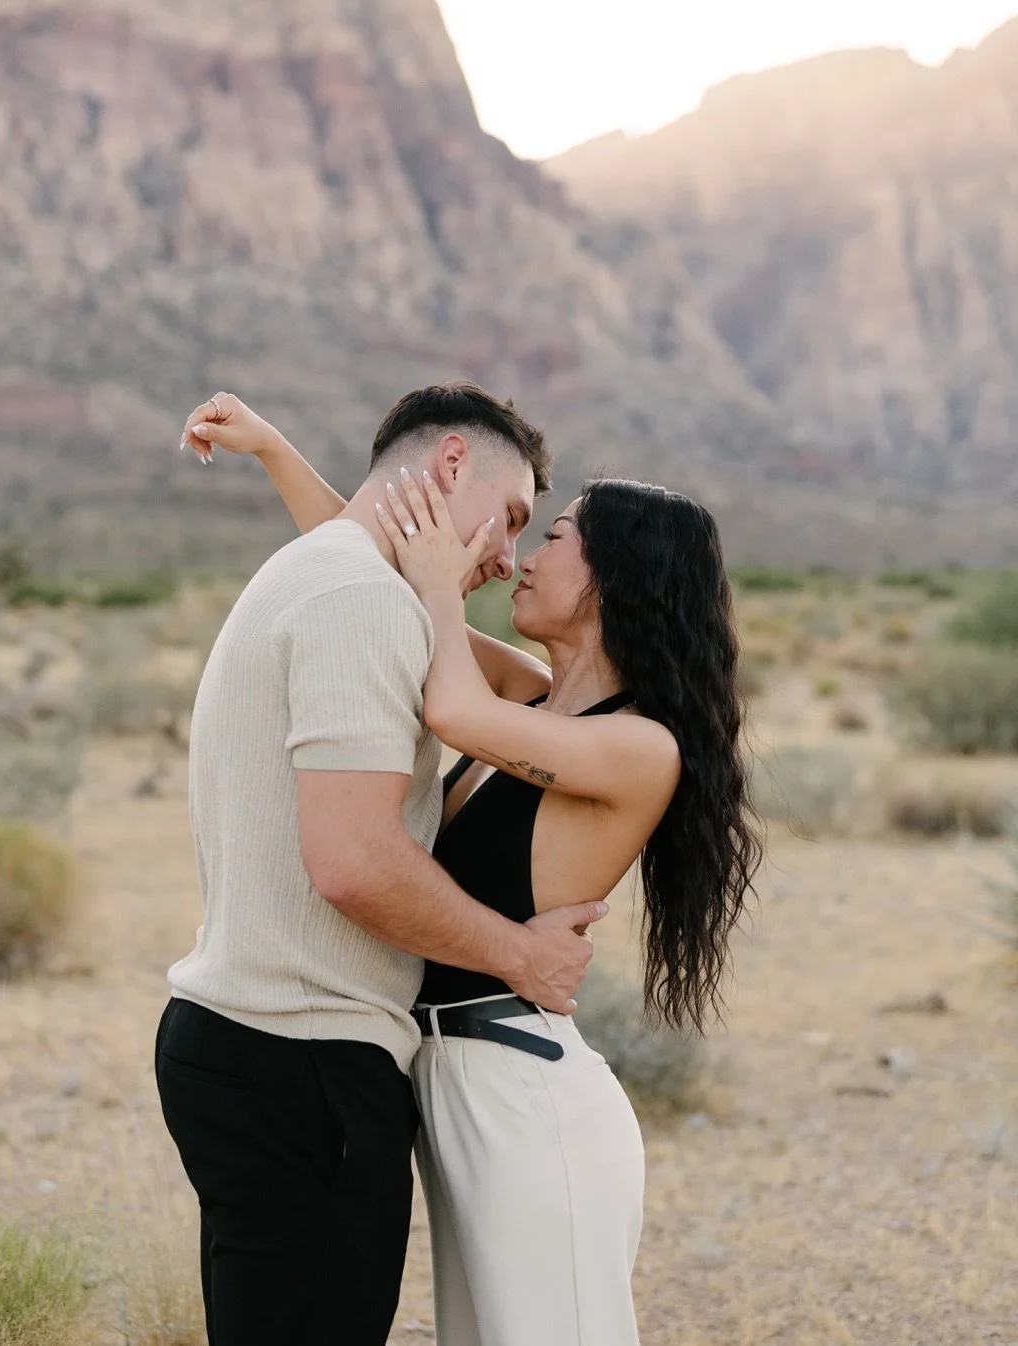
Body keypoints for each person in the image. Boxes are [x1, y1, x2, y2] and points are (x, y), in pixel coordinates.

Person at [180, 391, 763, 1346]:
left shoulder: (638, 746)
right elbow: (372, 571)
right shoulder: (533, 699)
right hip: (451, 1082)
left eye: (553, 536)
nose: (519, 556)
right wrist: (277, 450)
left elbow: (446, 699)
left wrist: (440, 585)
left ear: (620, 576)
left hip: (523, 1086)